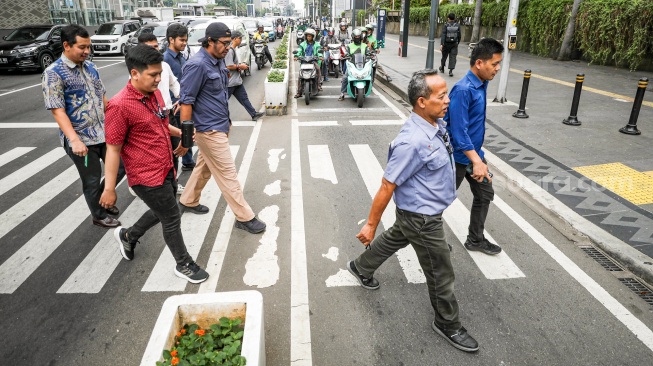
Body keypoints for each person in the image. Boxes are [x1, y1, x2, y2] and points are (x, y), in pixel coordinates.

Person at [349, 69, 479, 353]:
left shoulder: (434, 124)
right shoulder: (412, 142)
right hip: (422, 219)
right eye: (441, 96)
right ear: (422, 101)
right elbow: (387, 185)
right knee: (440, 271)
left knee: (397, 235)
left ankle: (361, 267)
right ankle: (447, 323)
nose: (447, 101)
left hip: (417, 214)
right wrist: (370, 224)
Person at [100, 44, 209, 284]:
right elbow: (113, 149)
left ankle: (129, 235)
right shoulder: (119, 106)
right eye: (153, 75)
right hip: (145, 176)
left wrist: (180, 132)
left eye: (160, 74)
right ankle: (184, 263)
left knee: (164, 211)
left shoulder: (156, 94)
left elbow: (159, 124)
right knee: (171, 217)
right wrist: (109, 188)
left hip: (166, 167)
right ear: (134, 73)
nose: (159, 79)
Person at [178, 22, 266, 234]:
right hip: (208, 130)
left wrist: (227, 122)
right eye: (225, 44)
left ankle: (188, 199)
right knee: (228, 174)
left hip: (219, 124)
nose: (229, 47)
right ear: (210, 41)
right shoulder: (197, 65)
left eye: (229, 43)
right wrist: (186, 138)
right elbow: (186, 102)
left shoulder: (217, 61)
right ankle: (244, 217)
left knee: (204, 167)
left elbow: (216, 95)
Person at [42, 24, 125, 229]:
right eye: (82, 47)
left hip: (103, 133)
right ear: (66, 46)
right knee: (91, 178)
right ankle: (98, 215)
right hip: (81, 140)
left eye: (88, 47)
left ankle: (102, 197)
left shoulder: (91, 67)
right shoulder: (54, 73)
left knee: (121, 167)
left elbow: (102, 98)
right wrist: (75, 140)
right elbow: (57, 110)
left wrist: (116, 121)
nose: (87, 51)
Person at [445, 38, 504, 256]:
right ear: (479, 63)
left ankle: (475, 239)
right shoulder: (463, 90)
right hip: (457, 159)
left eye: (499, 64)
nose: (497, 69)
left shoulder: (482, 84)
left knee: (485, 194)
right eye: (495, 64)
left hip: (474, 156)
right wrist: (476, 161)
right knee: (440, 201)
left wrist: (478, 159)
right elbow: (459, 134)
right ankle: (430, 242)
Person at [138, 33, 187, 196]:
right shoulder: (137, 71)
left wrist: (182, 99)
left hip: (167, 113)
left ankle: (172, 183)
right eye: (149, 47)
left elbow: (174, 84)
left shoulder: (164, 66)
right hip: (147, 118)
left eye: (156, 46)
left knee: (174, 150)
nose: (157, 79)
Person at [162, 23, 196, 173]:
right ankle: (185, 163)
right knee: (180, 133)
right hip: (173, 106)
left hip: (182, 100)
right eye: (181, 40)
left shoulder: (181, 57)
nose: (184, 43)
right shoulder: (165, 60)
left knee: (185, 130)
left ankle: (187, 161)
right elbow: (164, 85)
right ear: (171, 40)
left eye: (186, 40)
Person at [225, 30, 264, 121]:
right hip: (230, 83)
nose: (241, 40)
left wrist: (239, 66)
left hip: (236, 81)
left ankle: (254, 114)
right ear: (234, 39)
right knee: (222, 102)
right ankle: (221, 119)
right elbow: (228, 65)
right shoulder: (229, 51)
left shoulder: (233, 50)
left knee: (244, 98)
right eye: (240, 38)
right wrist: (239, 66)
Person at [338, 28, 367, 101]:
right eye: (356, 37)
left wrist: (371, 55)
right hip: (352, 65)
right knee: (345, 77)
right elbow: (346, 53)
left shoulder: (365, 46)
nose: (357, 38)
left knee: (370, 73)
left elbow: (368, 53)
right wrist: (346, 55)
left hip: (362, 65)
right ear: (353, 37)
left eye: (358, 36)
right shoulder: (349, 46)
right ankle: (342, 93)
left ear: (361, 37)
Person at [293, 28, 323, 98]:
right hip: (304, 61)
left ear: (313, 37)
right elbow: (299, 50)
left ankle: (318, 85)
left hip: (313, 61)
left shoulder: (317, 44)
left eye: (310, 36)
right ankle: (299, 92)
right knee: (300, 76)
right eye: (307, 36)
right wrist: (296, 56)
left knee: (318, 69)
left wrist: (320, 56)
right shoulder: (302, 44)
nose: (308, 37)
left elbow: (319, 51)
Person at [440, 13, 461, 77]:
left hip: (446, 43)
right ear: (454, 18)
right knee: (453, 57)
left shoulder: (446, 25)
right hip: (454, 44)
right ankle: (450, 71)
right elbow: (459, 35)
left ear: (448, 18)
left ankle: (442, 68)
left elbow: (443, 34)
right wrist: (457, 42)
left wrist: (442, 44)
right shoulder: (457, 25)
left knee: (444, 56)